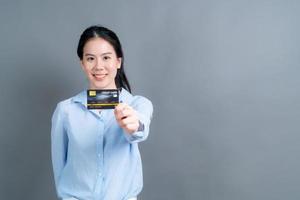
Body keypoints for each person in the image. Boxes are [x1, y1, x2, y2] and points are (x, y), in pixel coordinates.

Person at [51, 26, 153, 200]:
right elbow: (59, 164)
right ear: (82, 63)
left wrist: (133, 125)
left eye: (106, 57)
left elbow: (139, 129)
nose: (99, 66)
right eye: (90, 59)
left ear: (118, 62)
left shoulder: (138, 104)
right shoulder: (65, 110)